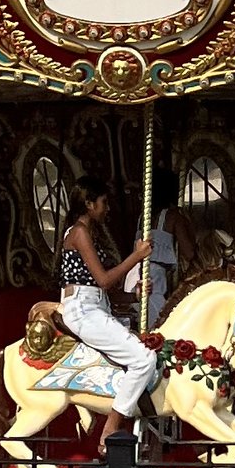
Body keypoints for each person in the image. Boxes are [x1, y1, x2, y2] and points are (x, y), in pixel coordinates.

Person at [57, 186, 158, 438]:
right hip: (83, 310)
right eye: (103, 202)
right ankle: (111, 426)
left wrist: (134, 295)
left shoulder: (88, 233)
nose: (108, 208)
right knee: (143, 359)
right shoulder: (79, 232)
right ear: (89, 204)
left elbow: (101, 289)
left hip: (95, 306)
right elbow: (103, 280)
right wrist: (136, 256)